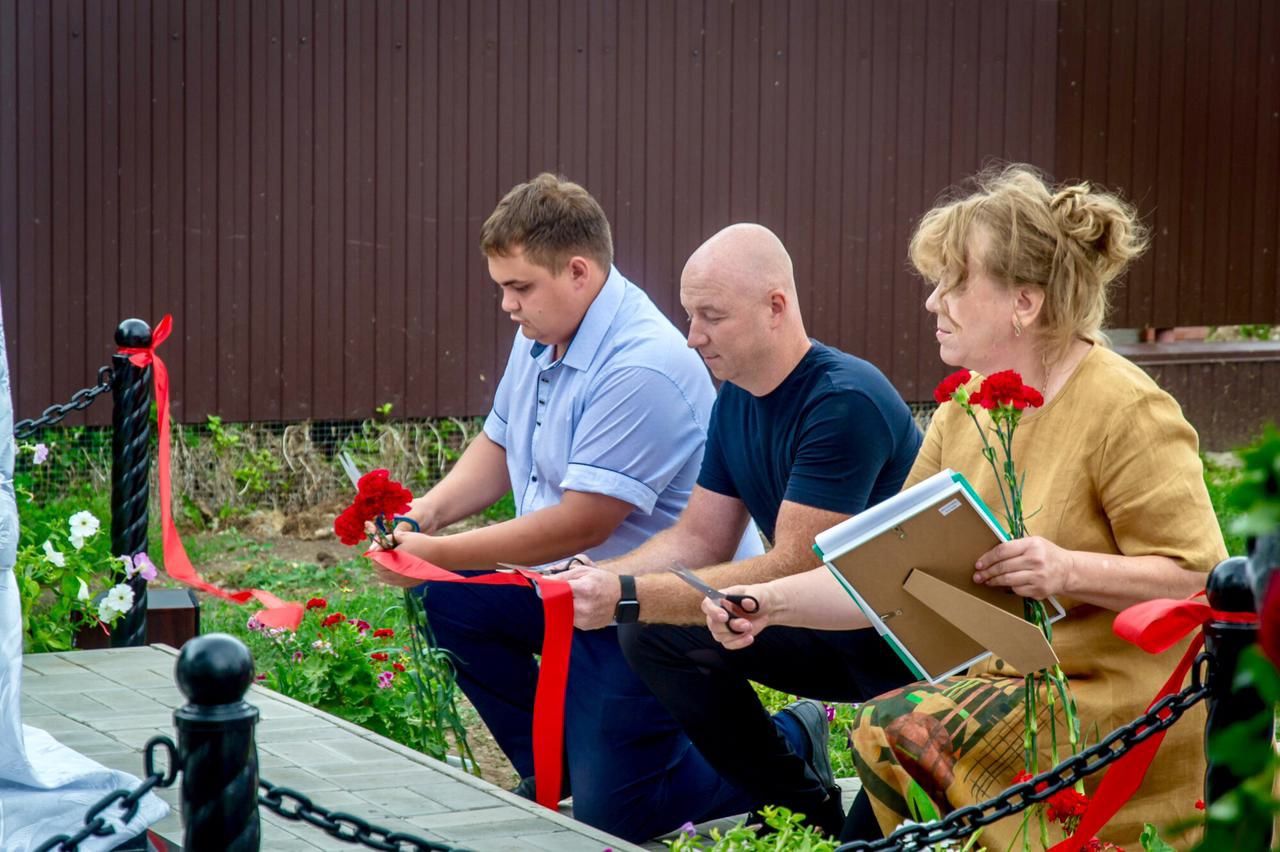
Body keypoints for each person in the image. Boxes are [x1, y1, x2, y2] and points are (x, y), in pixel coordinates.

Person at [700, 166, 1226, 847]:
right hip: (1003, 688)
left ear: (1024, 304)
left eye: (952, 283)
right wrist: (767, 606)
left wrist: (1069, 571)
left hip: (1108, 699)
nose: (932, 303)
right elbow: (879, 571)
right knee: (889, 748)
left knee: (894, 727)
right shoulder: (964, 406)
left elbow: (1203, 579)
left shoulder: (1127, 408)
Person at [371, 173, 761, 843]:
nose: (506, 305)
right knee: (452, 600)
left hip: (652, 603)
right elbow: (497, 442)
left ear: (578, 272)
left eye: (518, 287)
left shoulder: (640, 364)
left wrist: (433, 555)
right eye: (502, 287)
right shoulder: (545, 332)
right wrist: (422, 517)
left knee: (622, 822)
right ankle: (557, 769)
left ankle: (781, 747)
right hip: (571, 584)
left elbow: (582, 521)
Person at [552, 223, 923, 839]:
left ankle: (826, 806)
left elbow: (794, 567)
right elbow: (700, 538)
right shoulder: (736, 399)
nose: (692, 335)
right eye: (689, 314)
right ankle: (804, 808)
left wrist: (628, 594)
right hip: (812, 622)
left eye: (710, 316)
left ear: (775, 307)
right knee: (653, 635)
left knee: (645, 614)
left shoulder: (843, 400)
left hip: (896, 645)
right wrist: (606, 577)